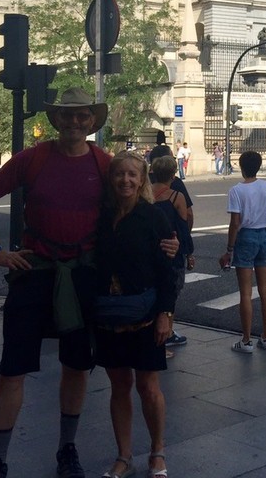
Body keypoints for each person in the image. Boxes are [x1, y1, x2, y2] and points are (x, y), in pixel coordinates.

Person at [0, 89, 177, 478]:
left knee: (76, 366)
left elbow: (131, 208)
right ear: (56, 120)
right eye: (68, 116)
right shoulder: (33, 158)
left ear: (92, 122)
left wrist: (167, 238)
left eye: (83, 117)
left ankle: (68, 449)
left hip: (83, 276)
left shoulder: (102, 162)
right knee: (12, 368)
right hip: (36, 272)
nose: (75, 123)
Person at [94, 151, 177, 478]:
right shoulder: (101, 216)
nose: (126, 180)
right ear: (111, 179)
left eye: (132, 175)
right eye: (120, 174)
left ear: (142, 180)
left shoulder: (153, 217)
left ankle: (157, 451)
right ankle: (124, 455)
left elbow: (167, 271)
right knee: (118, 385)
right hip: (108, 315)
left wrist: (165, 314)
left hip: (145, 314)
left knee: (148, 386)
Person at [219, 151, 266, 353]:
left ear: (241, 166)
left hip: (245, 238)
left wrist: (229, 249)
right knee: (265, 291)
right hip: (264, 237)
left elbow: (235, 223)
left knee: (246, 293)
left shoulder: (236, 191)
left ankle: (246, 341)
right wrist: (264, 213)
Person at [149, 155, 195, 355]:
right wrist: (189, 254)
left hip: (150, 250)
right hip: (171, 251)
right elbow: (183, 228)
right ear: (173, 174)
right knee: (170, 293)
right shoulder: (177, 196)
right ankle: (165, 337)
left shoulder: (145, 194)